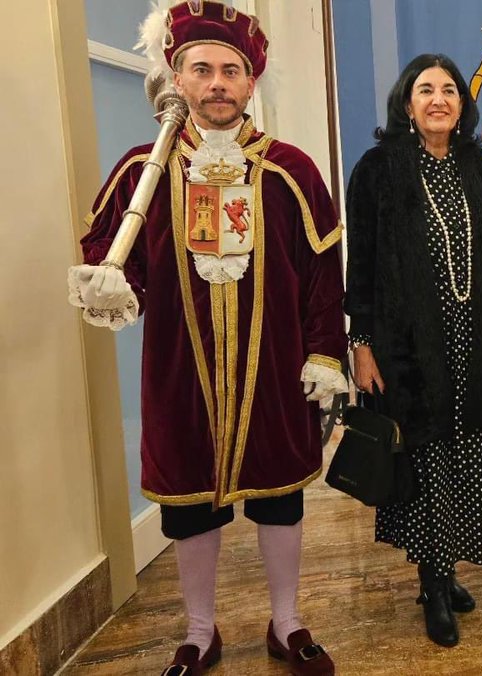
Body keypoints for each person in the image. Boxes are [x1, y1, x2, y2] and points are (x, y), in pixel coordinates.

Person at [67, 3, 345, 674]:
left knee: (280, 495)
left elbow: (320, 273)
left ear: (250, 84)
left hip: (274, 369)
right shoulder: (143, 170)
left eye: (231, 70)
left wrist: (324, 351)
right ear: (176, 77)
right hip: (179, 371)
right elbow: (114, 257)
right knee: (190, 507)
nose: (217, 83)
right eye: (202, 70)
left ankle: (287, 622)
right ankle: (197, 631)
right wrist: (112, 287)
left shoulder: (291, 170)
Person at [344, 53, 482, 649]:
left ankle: (447, 568)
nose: (438, 99)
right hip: (408, 348)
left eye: (448, 90)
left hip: (476, 343)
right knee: (424, 458)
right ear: (406, 103)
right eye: (425, 89)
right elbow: (360, 263)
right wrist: (361, 344)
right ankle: (433, 583)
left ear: (464, 103)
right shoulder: (378, 168)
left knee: (465, 453)